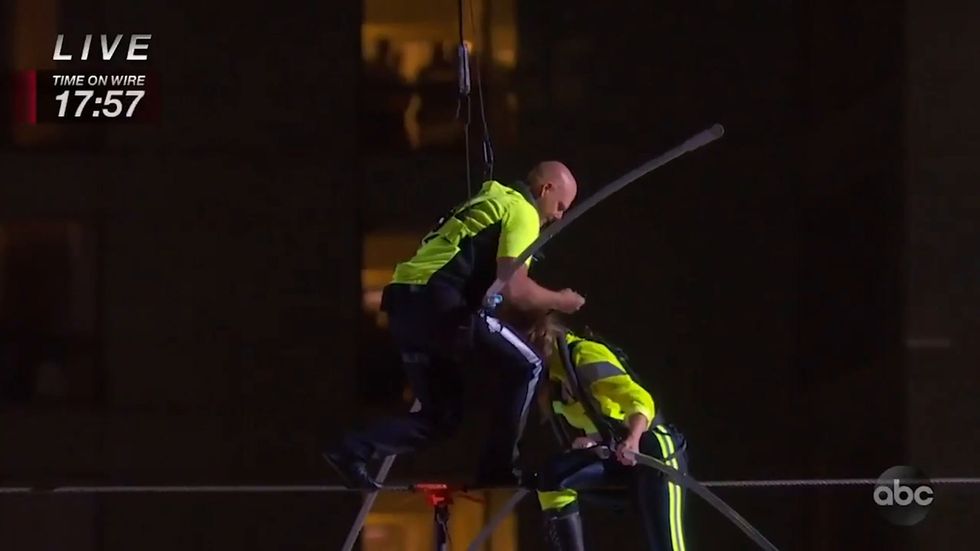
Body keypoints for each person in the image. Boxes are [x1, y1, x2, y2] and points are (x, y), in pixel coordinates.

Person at [325, 162, 586, 489]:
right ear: (545, 189)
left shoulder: (489, 201)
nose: (560, 216)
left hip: (405, 305)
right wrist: (561, 300)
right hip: (439, 304)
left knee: (441, 418)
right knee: (528, 365)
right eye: (561, 206)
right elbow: (516, 289)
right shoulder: (522, 211)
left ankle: (351, 448)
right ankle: (498, 467)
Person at [527, 315, 689, 551]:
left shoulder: (582, 354)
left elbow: (640, 400)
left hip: (653, 450)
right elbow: (604, 418)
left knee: (665, 545)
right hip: (617, 456)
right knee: (553, 476)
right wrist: (591, 441)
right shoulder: (552, 379)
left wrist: (633, 440)